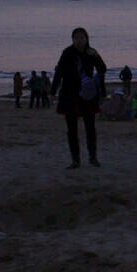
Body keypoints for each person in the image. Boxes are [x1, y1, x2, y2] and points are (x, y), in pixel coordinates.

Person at [51, 27, 107, 169]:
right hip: (69, 95)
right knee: (72, 129)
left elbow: (102, 70)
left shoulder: (91, 53)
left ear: (86, 39)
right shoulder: (67, 53)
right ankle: (75, 160)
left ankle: (92, 157)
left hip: (87, 95)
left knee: (90, 128)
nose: (79, 40)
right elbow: (59, 72)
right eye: (76, 38)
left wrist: (96, 55)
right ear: (73, 39)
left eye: (82, 38)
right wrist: (52, 91)